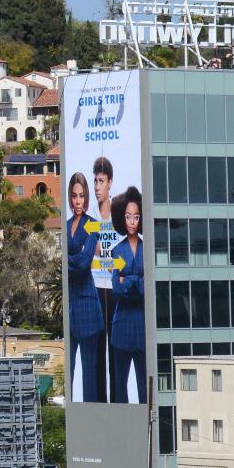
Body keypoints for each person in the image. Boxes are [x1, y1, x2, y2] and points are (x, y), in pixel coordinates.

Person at [64, 173, 105, 402]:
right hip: (69, 306)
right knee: (69, 375)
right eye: (74, 196)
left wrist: (67, 261)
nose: (78, 201)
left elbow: (84, 261)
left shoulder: (92, 224)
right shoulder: (65, 225)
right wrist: (72, 259)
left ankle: (93, 418)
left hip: (88, 307)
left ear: (86, 197)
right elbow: (72, 261)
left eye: (81, 196)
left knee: (89, 378)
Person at [108, 187, 145, 404]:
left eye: (136, 217)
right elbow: (116, 288)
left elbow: (146, 286)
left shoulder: (147, 249)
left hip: (142, 327)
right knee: (120, 388)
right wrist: (136, 282)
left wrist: (128, 281)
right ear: (122, 217)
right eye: (128, 216)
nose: (132, 222)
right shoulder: (118, 251)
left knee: (144, 388)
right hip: (121, 328)